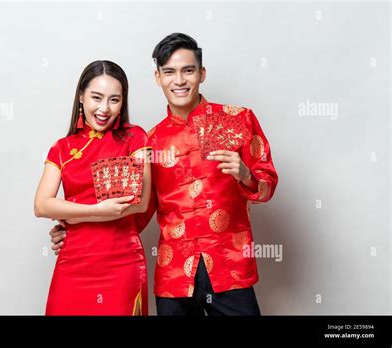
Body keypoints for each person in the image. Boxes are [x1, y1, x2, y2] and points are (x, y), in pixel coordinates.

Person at [50, 33, 278, 316]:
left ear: (202, 74)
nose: (179, 80)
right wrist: (76, 231)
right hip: (174, 275)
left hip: (229, 267)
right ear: (158, 77)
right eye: (169, 72)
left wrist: (245, 174)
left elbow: (267, 184)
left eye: (188, 71)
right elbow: (134, 211)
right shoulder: (149, 142)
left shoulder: (236, 119)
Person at [34, 60, 152, 315]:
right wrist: (99, 210)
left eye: (114, 100)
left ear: (123, 102)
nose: (104, 108)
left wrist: (71, 215)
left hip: (121, 262)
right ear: (81, 97)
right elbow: (42, 204)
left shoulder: (135, 137)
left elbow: (139, 202)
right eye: (96, 97)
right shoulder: (62, 148)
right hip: (72, 262)